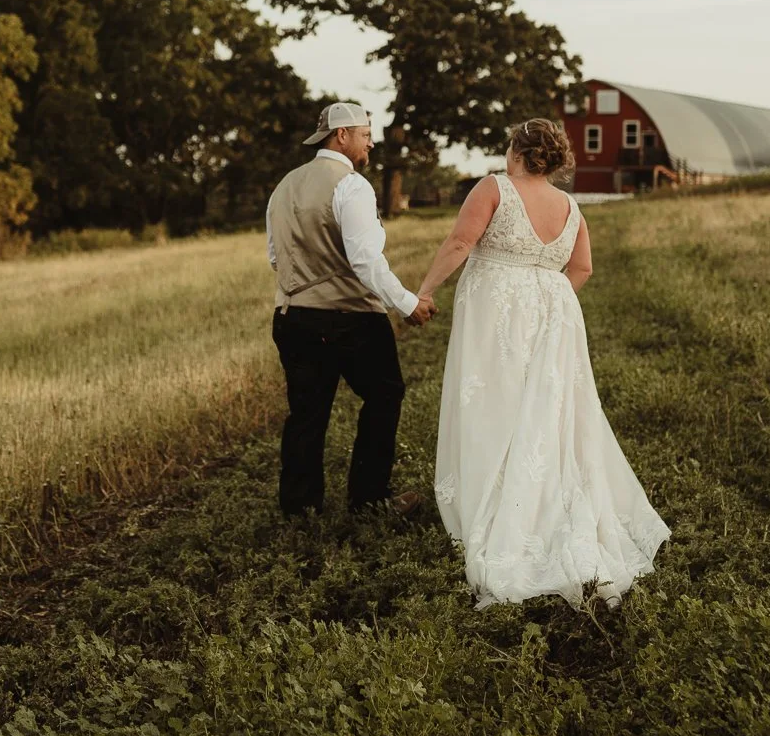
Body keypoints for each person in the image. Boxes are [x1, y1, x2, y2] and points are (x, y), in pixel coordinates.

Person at [415, 118, 670, 607]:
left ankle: (492, 504)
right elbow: (582, 268)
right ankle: (541, 503)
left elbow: (460, 244)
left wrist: (425, 290)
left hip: (496, 315)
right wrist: (545, 302)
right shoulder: (571, 206)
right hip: (552, 318)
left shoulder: (495, 187)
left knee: (495, 401)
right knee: (545, 411)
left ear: (516, 150)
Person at [266, 102, 435, 517]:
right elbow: (365, 259)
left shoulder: (285, 184)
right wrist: (407, 303)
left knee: (307, 412)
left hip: (291, 317)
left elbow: (276, 257)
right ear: (341, 135)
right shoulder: (352, 185)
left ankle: (300, 512)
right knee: (384, 394)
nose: (371, 142)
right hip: (349, 320)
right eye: (365, 134)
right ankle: (369, 500)